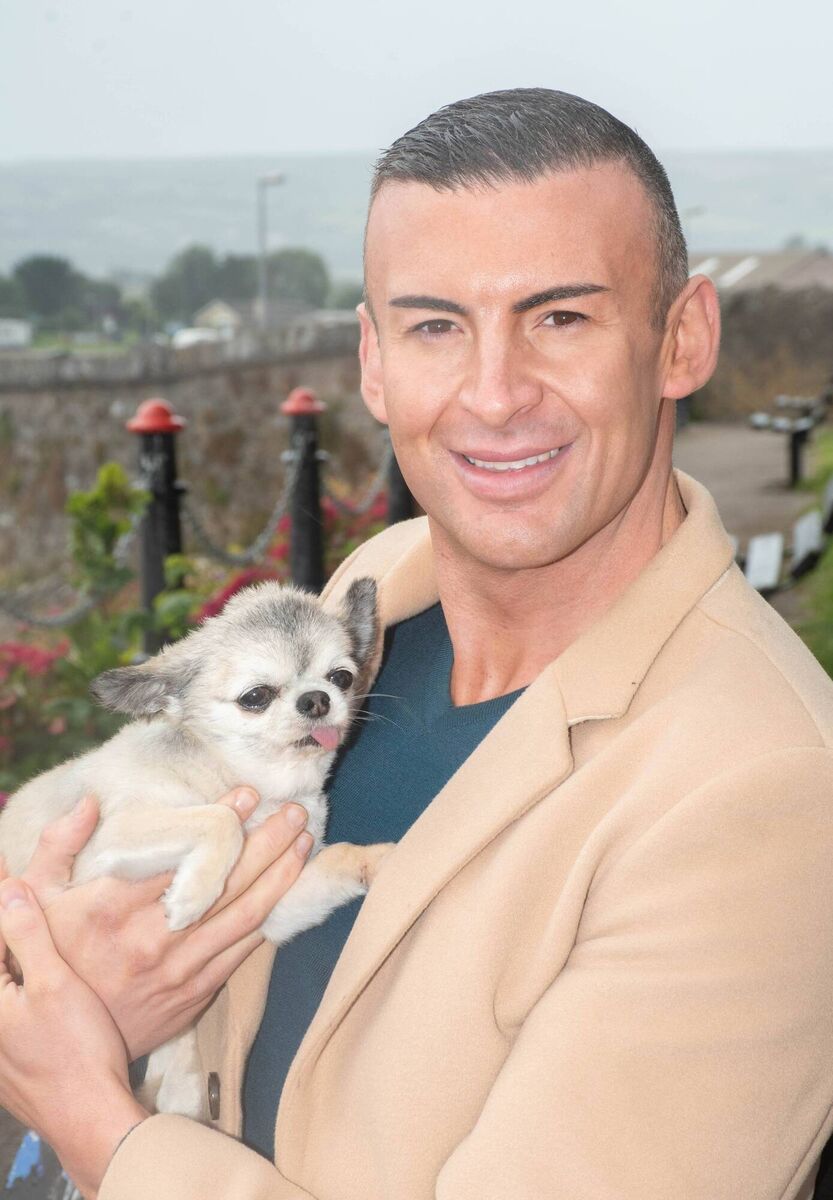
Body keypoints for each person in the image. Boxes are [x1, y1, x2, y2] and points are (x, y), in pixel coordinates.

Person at [2, 86, 833, 1200]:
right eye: (437, 325)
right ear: (372, 360)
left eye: (560, 317)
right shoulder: (362, 607)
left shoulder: (767, 793)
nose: (493, 397)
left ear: (679, 338)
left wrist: (95, 1119)